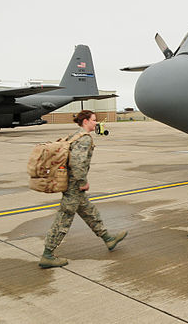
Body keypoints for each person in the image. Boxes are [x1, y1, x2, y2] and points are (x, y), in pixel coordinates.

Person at [40, 110, 127, 269]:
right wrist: (82, 181)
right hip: (74, 186)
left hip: (72, 185)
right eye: (94, 120)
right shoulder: (85, 139)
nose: (96, 123)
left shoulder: (75, 135)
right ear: (86, 121)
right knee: (64, 219)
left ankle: (108, 239)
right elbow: (77, 163)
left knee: (90, 212)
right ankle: (47, 254)